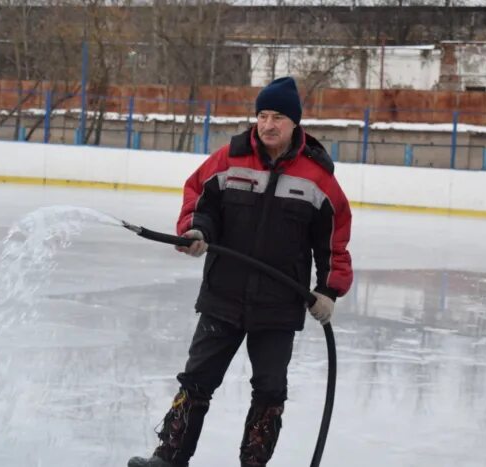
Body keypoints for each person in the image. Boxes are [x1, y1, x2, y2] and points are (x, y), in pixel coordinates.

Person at [128, 77, 353, 467]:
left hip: (279, 305)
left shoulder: (317, 177)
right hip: (223, 294)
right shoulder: (228, 159)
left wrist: (328, 291)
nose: (267, 124)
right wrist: (197, 232)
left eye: (278, 117)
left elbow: (333, 239)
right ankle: (168, 458)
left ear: (295, 122)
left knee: (269, 391)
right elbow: (200, 199)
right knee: (196, 380)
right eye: (262, 115)